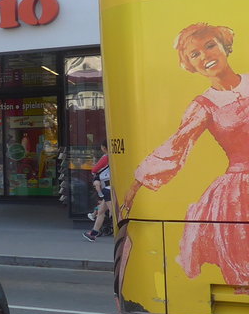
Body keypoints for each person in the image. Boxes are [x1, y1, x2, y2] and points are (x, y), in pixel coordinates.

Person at [121, 23, 249, 283]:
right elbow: (174, 148)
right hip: (238, 198)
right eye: (195, 54)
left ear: (225, 46)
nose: (205, 56)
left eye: (210, 45)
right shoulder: (202, 106)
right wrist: (133, 188)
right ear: (190, 65)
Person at [84, 143, 111, 241]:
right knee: (101, 212)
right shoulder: (114, 157)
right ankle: (93, 233)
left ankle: (125, 236)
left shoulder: (106, 157)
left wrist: (96, 178)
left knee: (114, 213)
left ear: (104, 148)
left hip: (108, 188)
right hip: (109, 187)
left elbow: (94, 169)